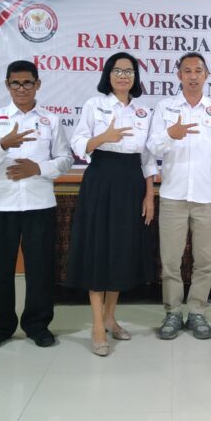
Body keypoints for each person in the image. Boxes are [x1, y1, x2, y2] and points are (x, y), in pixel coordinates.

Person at [0, 60, 72, 352]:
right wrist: (2, 144)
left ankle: (38, 325)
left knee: (40, 268)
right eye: (15, 83)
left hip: (40, 204)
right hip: (2, 205)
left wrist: (37, 168)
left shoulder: (51, 120)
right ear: (7, 85)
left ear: (37, 84)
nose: (22, 88)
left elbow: (65, 159)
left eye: (28, 82)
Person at [65, 52, 156, 356]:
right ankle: (96, 325)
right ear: (108, 74)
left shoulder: (143, 111)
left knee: (120, 250)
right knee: (98, 250)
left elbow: (147, 157)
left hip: (131, 183)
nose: (123, 76)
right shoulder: (95, 105)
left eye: (129, 71)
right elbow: (79, 145)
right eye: (117, 70)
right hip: (101, 179)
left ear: (135, 77)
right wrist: (103, 137)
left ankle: (110, 317)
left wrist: (149, 194)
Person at [147, 52, 211, 340]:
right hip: (173, 196)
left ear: (206, 75)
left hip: (207, 198)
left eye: (198, 71)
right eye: (187, 71)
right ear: (179, 75)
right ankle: (172, 312)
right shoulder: (165, 108)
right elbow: (152, 148)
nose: (193, 76)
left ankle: (197, 311)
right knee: (170, 261)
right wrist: (170, 133)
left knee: (204, 261)